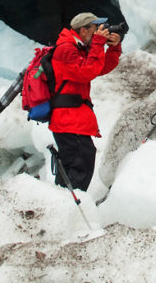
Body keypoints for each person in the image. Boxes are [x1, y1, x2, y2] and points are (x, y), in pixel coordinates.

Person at [49, 12, 122, 191]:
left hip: (72, 117)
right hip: (68, 117)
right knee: (80, 163)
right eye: (95, 28)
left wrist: (114, 47)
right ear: (83, 30)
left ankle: (64, 202)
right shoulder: (66, 49)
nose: (99, 31)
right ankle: (73, 205)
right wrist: (97, 43)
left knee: (76, 162)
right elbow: (87, 71)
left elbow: (100, 68)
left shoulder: (77, 47)